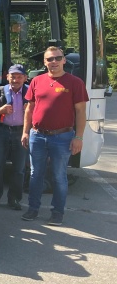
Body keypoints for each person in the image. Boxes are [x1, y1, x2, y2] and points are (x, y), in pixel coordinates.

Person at [21, 47, 88, 225]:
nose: (54, 62)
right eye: (50, 59)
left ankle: (57, 212)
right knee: (35, 174)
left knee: (59, 176)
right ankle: (33, 209)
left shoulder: (75, 83)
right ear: (45, 62)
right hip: (37, 135)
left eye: (58, 58)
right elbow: (29, 109)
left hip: (63, 137)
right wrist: (25, 132)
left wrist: (79, 137)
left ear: (64, 60)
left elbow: (81, 112)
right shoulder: (36, 81)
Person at [0, 64, 29, 210]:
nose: (16, 80)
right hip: (1, 131)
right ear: (7, 77)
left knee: (19, 168)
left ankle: (14, 199)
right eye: (13, 76)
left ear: (25, 78)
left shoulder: (30, 92)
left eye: (19, 76)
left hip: (21, 132)